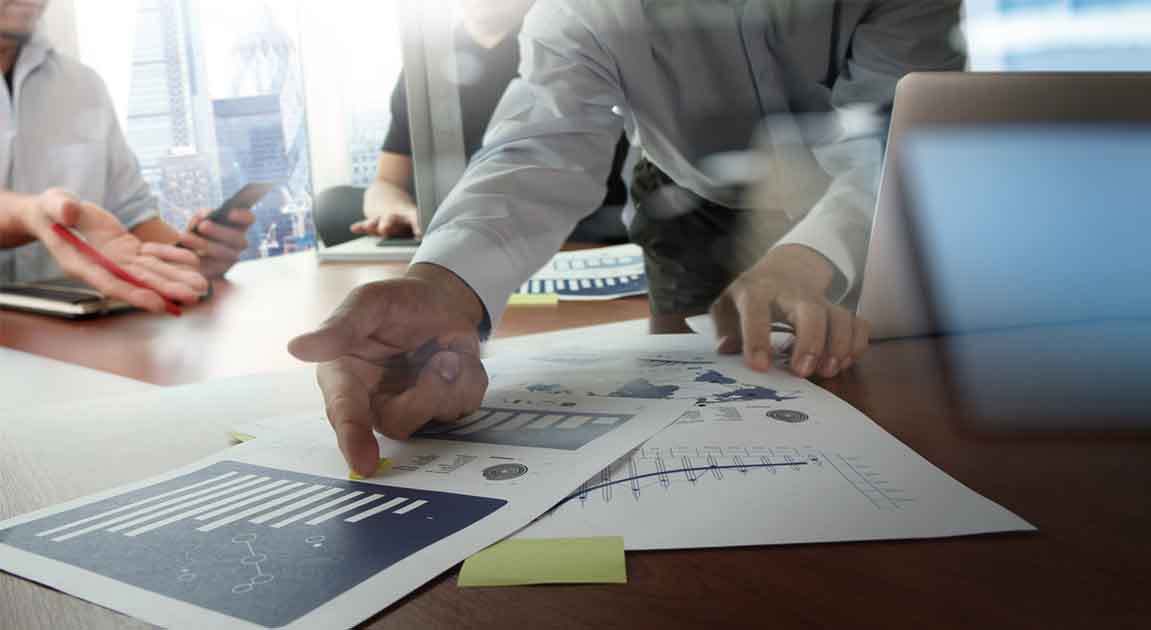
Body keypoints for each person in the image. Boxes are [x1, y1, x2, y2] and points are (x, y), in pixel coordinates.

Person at [290, 0, 966, 476]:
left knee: (884, 389)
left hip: (863, 188)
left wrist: (811, 255)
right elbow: (540, 149)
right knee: (720, 396)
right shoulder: (579, 9)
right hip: (684, 194)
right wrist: (438, 286)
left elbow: (894, 134)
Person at [0, 0, 255, 314]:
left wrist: (191, 258)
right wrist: (29, 213)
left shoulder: (82, 85)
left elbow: (133, 216)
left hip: (72, 339)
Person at [350, 0, 629, 244]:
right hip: (462, 241)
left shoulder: (577, 45)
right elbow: (385, 183)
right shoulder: (425, 67)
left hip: (580, 234)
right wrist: (399, 209)